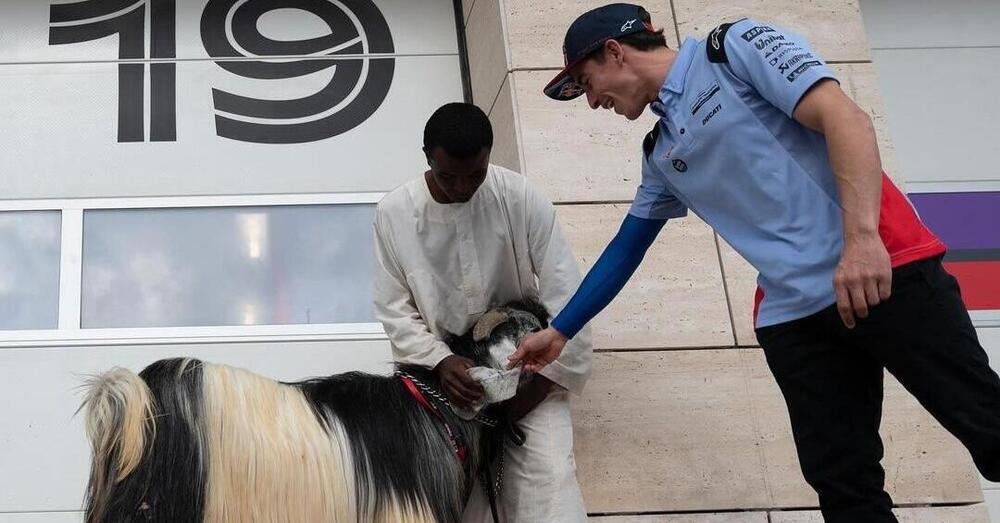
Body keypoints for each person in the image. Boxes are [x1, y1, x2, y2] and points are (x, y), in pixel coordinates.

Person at [509, 4, 1000, 522]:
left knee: (988, 428)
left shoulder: (733, 50)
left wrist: (860, 241)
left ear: (614, 51)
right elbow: (628, 246)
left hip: (883, 270)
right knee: (845, 489)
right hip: (795, 320)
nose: (591, 102)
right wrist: (561, 331)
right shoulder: (660, 151)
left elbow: (846, 119)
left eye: (586, 83)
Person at [373, 102, 592, 522]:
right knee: (455, 506)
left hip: (532, 376)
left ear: (489, 155)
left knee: (550, 487)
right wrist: (440, 361)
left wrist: (538, 386)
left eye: (475, 174)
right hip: (447, 390)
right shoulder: (394, 213)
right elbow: (394, 310)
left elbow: (570, 296)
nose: (462, 187)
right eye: (447, 176)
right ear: (427, 157)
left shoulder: (520, 196)